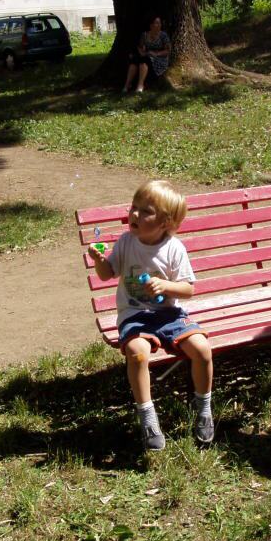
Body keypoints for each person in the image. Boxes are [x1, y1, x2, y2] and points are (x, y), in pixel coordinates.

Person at [88, 180, 214, 450]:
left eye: (146, 211)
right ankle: (147, 416)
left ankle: (203, 407)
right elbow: (107, 274)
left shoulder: (174, 248)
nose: (134, 214)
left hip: (169, 315)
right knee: (137, 353)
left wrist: (166, 286)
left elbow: (188, 289)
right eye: (134, 207)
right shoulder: (126, 242)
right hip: (134, 315)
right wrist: (99, 261)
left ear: (165, 222)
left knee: (203, 349)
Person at [122, 15, 171, 93]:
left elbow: (167, 50)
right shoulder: (144, 35)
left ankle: (140, 85)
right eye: (157, 23)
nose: (159, 25)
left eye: (160, 23)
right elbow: (140, 47)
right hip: (147, 56)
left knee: (143, 61)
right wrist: (143, 52)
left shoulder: (163, 35)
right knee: (134, 61)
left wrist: (156, 53)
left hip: (160, 59)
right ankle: (127, 85)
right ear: (151, 25)